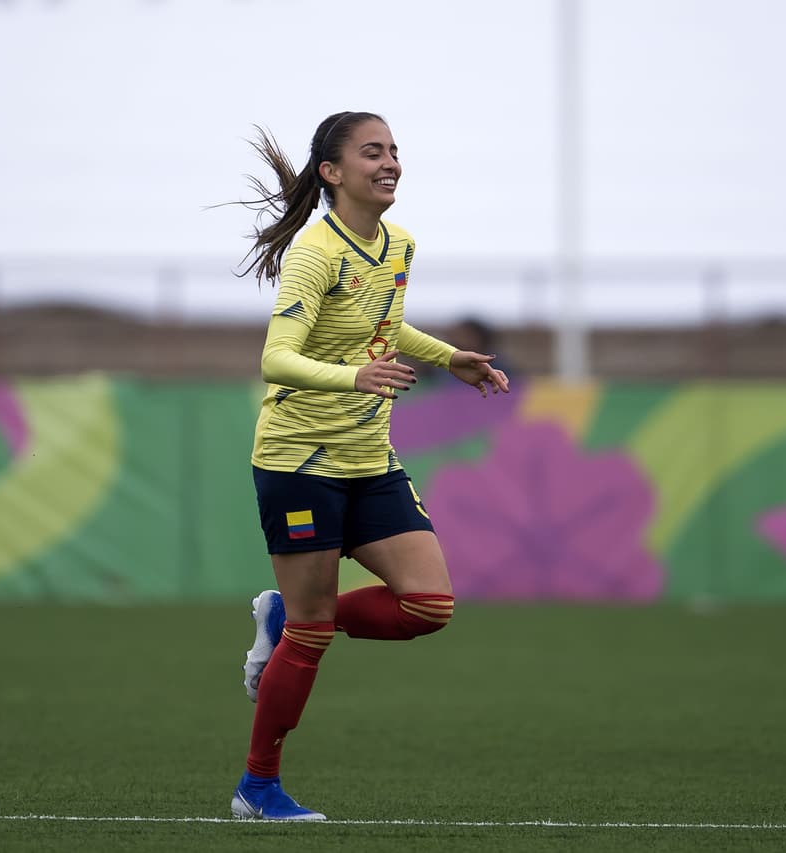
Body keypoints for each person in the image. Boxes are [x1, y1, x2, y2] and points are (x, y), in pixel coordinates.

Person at [229, 111, 510, 820]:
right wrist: (352, 377)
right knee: (315, 630)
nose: (390, 163)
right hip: (299, 460)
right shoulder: (313, 252)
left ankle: (281, 618)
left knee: (428, 605)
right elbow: (276, 357)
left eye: (393, 151)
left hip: (368, 457)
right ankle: (257, 788)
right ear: (333, 172)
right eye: (372, 152)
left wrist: (450, 357)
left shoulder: (400, 243)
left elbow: (384, 324)